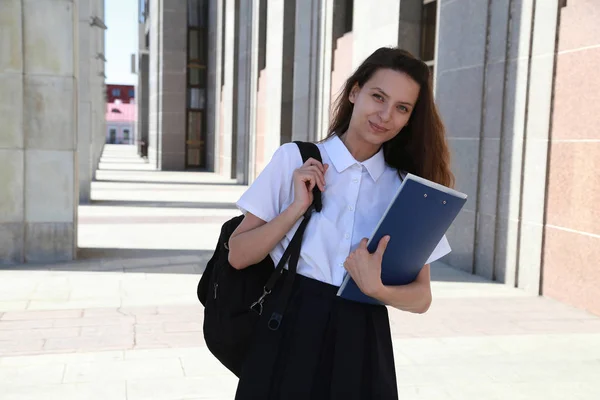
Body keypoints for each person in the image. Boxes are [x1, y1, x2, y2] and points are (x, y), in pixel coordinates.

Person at [228, 47, 455, 399]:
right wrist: (295, 209)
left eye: (402, 108)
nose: (385, 115)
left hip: (362, 338)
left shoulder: (406, 189)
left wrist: (378, 289)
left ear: (410, 118)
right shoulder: (295, 159)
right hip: (288, 327)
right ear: (354, 92)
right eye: (378, 97)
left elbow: (422, 297)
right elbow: (238, 255)